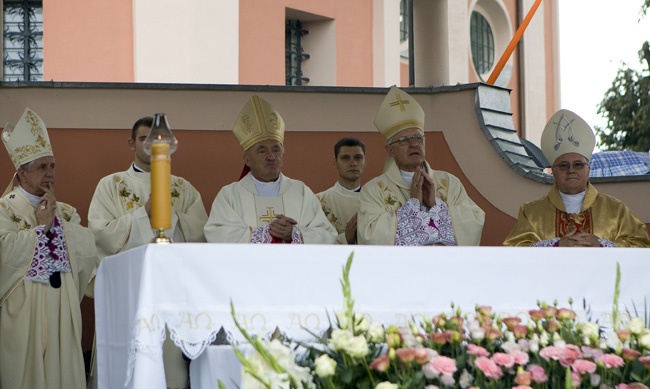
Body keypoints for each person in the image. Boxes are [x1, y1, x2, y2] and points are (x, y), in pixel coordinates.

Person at [88, 116, 208, 388]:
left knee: (170, 368)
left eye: (156, 141)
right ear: (131, 143)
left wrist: (171, 215)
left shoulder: (182, 188)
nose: (150, 145)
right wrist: (144, 215)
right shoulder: (111, 186)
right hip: (128, 292)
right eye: (143, 139)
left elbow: (201, 233)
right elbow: (100, 234)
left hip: (173, 295)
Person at [0, 108, 98, 389]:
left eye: (52, 166)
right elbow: (4, 254)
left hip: (61, 312)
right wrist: (41, 230)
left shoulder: (66, 212)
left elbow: (87, 250)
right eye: (42, 167)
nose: (50, 173)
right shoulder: (4, 209)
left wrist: (54, 225)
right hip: (21, 317)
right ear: (21, 173)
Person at [503, 109, 650, 247]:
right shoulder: (531, 213)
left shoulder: (616, 210)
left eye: (578, 164)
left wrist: (601, 245)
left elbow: (641, 245)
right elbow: (514, 250)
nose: (571, 170)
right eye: (563, 165)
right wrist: (557, 245)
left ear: (588, 169)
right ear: (553, 171)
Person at [358, 86, 485, 245]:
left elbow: (474, 222)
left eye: (418, 138)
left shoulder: (450, 183)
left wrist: (435, 206)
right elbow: (371, 236)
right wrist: (412, 207)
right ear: (390, 150)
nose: (413, 145)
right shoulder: (374, 191)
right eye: (404, 140)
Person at [204, 95, 337, 244]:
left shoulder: (301, 192)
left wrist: (295, 233)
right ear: (247, 159)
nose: (271, 156)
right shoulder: (230, 195)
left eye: (276, 150)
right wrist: (265, 233)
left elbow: (327, 234)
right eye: (262, 151)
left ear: (283, 153)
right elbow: (217, 233)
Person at [317, 137, 366, 244]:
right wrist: (345, 238)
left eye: (358, 157)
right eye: (345, 158)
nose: (353, 163)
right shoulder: (319, 201)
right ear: (335, 162)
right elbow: (315, 241)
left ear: (364, 161)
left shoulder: (376, 199)